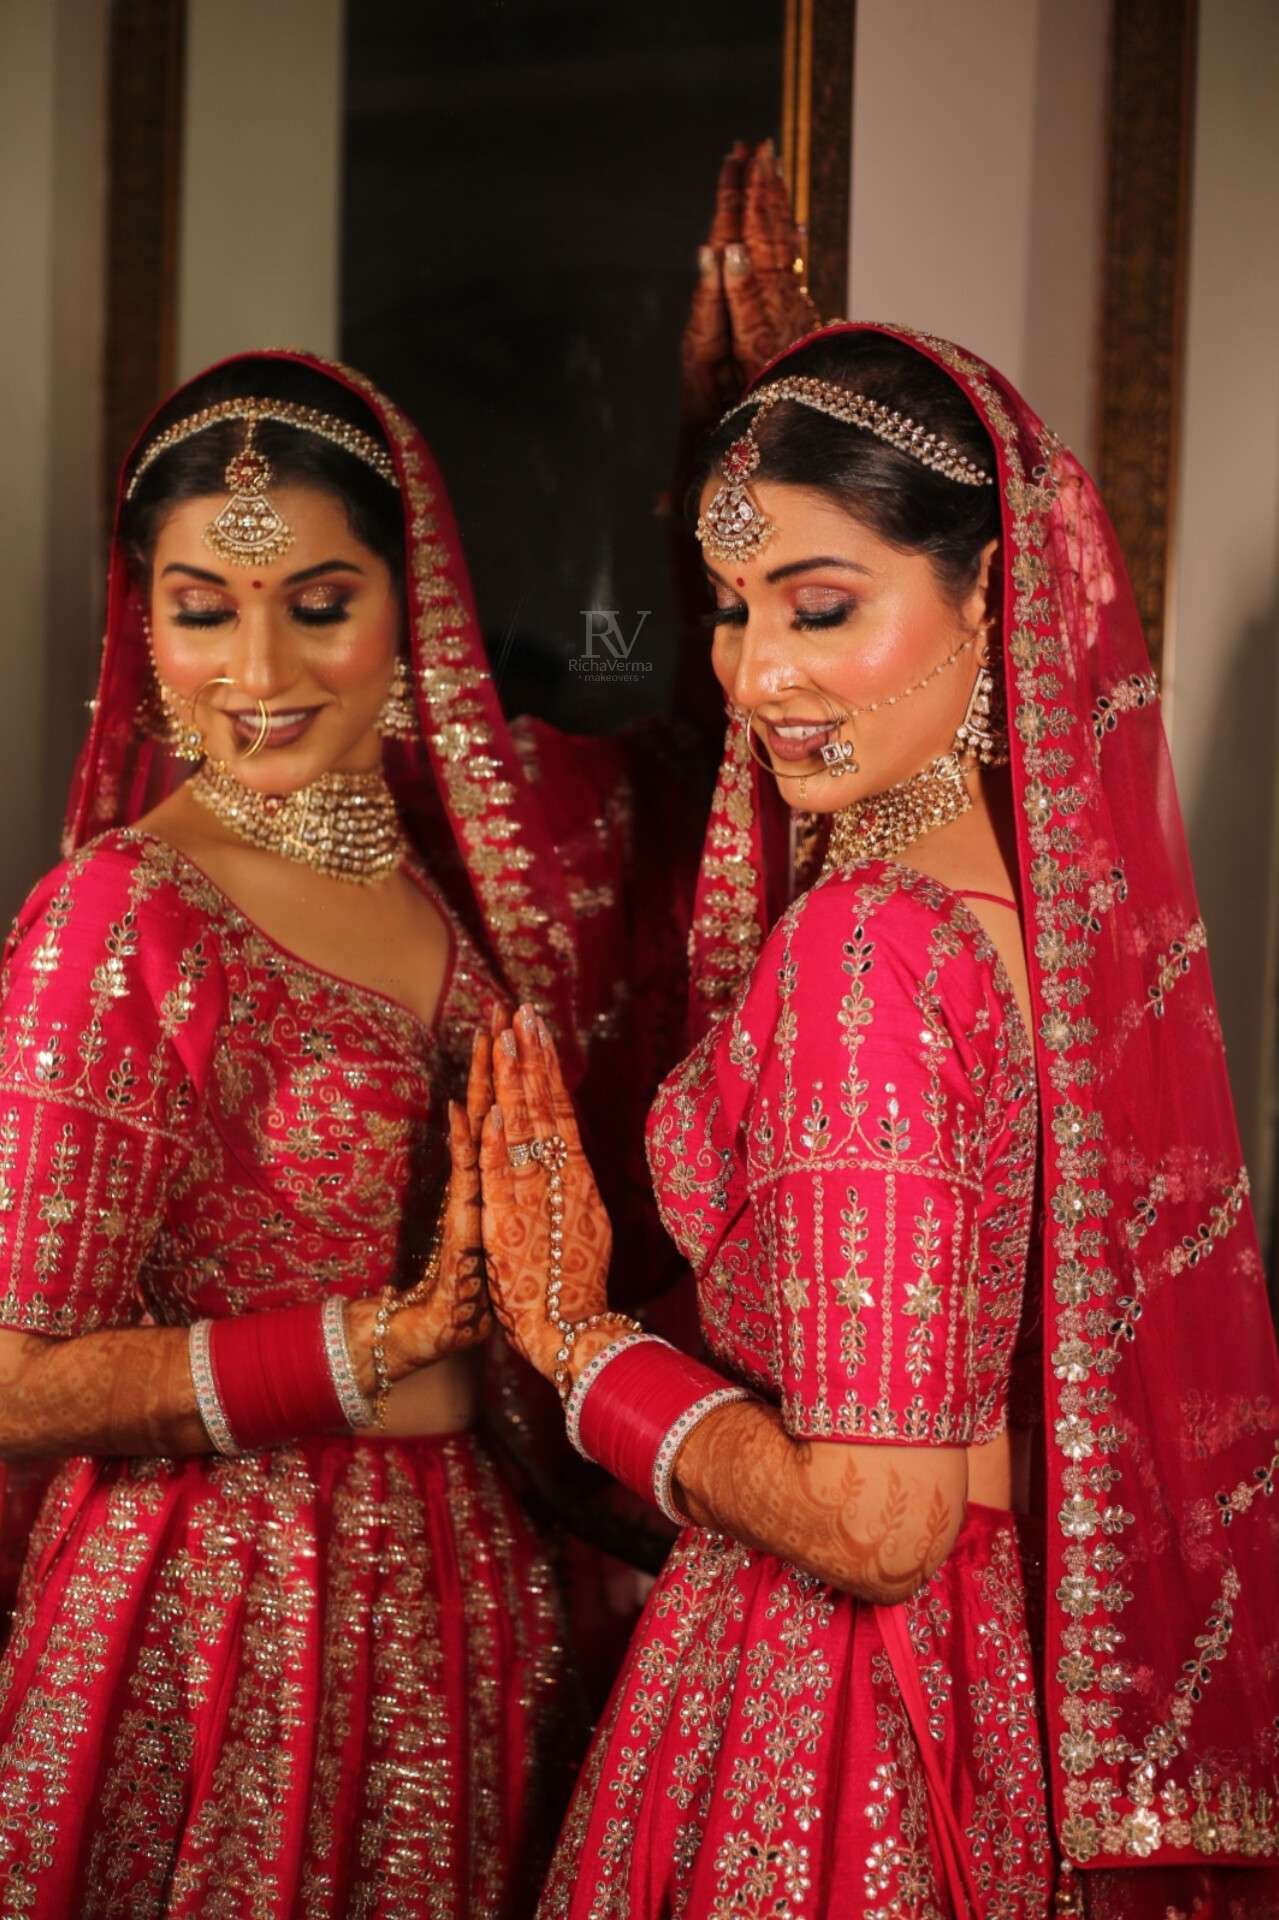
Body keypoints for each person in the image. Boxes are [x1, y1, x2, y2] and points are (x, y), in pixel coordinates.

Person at [478, 322, 1279, 1918]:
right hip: (987, 1665)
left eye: (823, 605)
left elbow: (877, 1523)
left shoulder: (873, 947)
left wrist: (576, 1345)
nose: (757, 671)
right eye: (733, 608)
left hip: (836, 1701)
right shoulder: (1030, 925)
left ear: (988, 600)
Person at [0, 348, 699, 1918]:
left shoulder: (448, 874)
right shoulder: (120, 918)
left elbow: (683, 803)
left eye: (318, 604)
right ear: (145, 623)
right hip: (226, 1615)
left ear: (413, 611)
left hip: (472, 1590)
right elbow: (13, 1376)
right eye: (203, 609)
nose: (259, 669)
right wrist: (378, 1340)